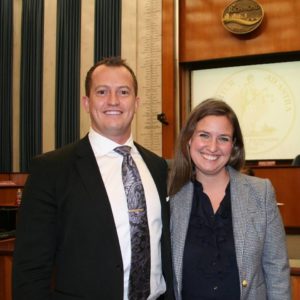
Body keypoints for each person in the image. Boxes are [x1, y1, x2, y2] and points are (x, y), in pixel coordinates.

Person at [13, 57, 174, 300]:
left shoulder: (157, 166)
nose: (113, 101)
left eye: (123, 92)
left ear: (137, 102)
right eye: (102, 92)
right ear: (86, 103)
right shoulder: (51, 170)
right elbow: (30, 271)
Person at [168, 99, 291, 300]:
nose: (213, 147)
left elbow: (277, 269)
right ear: (189, 139)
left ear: (233, 146)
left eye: (223, 138)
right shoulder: (171, 196)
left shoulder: (261, 193)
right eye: (204, 135)